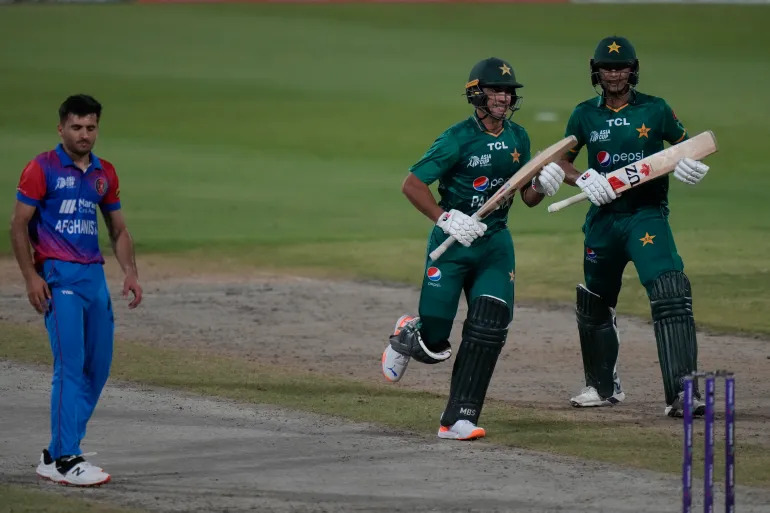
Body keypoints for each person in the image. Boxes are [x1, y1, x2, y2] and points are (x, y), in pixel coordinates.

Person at [380, 57, 565, 440]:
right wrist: (445, 218)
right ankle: (410, 332)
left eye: (508, 92)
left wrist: (542, 185)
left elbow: (526, 197)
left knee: (489, 325)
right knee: (434, 343)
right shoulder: (456, 138)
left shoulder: (519, 138)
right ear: (477, 94)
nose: (504, 98)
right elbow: (412, 184)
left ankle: (458, 418)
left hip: (494, 245)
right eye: (496, 90)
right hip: (452, 245)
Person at [557, 36, 710, 416]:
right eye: (607, 68)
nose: (614, 75)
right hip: (603, 220)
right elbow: (561, 162)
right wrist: (582, 178)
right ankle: (601, 386)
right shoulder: (583, 114)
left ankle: (683, 393)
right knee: (595, 303)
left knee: (670, 290)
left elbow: (688, 147)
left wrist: (689, 165)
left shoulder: (656, 109)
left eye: (621, 68)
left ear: (633, 70)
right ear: (596, 72)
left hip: (646, 215)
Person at [10, 94, 143, 486]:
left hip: (93, 279)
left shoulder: (104, 173)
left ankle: (54, 453)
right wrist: (31, 277)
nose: (84, 134)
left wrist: (130, 272)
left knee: (97, 368)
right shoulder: (42, 168)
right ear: (61, 128)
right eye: (76, 127)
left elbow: (118, 229)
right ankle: (68, 458)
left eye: (90, 127)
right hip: (58, 278)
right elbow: (18, 225)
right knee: (70, 366)